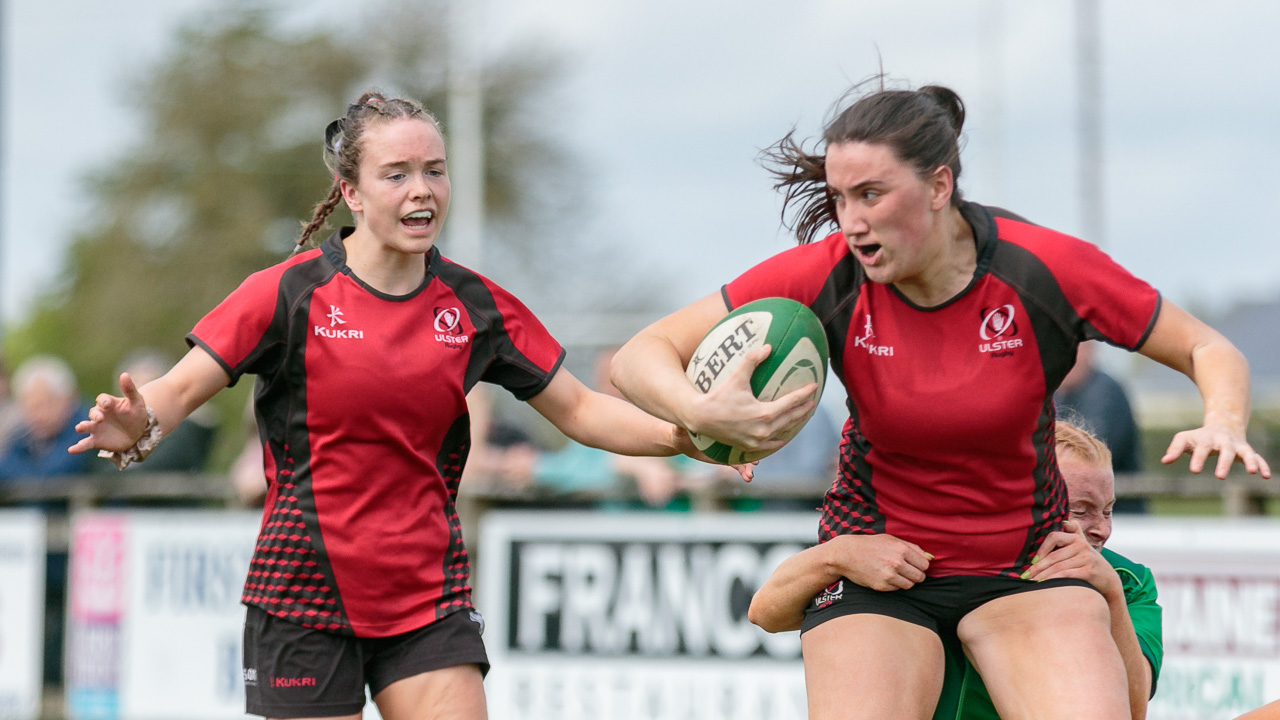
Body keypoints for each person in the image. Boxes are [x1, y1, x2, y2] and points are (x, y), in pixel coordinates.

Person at [610, 80, 1269, 720]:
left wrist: (1224, 419)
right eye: (840, 198)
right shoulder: (829, 273)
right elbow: (644, 353)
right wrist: (697, 412)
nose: (852, 221)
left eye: (871, 194)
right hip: (878, 566)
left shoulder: (1041, 269)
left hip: (1023, 566)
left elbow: (1207, 349)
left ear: (939, 186)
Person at [69, 90, 739, 720]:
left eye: (435, 170)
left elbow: (584, 412)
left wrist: (687, 432)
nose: (422, 189)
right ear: (352, 193)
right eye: (398, 174)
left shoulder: (477, 307)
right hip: (301, 596)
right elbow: (180, 387)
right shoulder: (287, 294)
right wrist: (139, 420)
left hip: (429, 600)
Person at [748, 421, 1163, 720]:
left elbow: (1132, 710)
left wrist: (1108, 592)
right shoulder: (916, 552)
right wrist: (836, 554)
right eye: (1080, 509)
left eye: (1108, 510)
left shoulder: (1126, 580)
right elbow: (764, 613)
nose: (1102, 529)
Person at [0, 354, 91, 480]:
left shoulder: (89, 429)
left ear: (68, 398)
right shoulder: (24, 438)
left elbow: (57, 472)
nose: (36, 416)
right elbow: (4, 466)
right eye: (29, 408)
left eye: (42, 405)